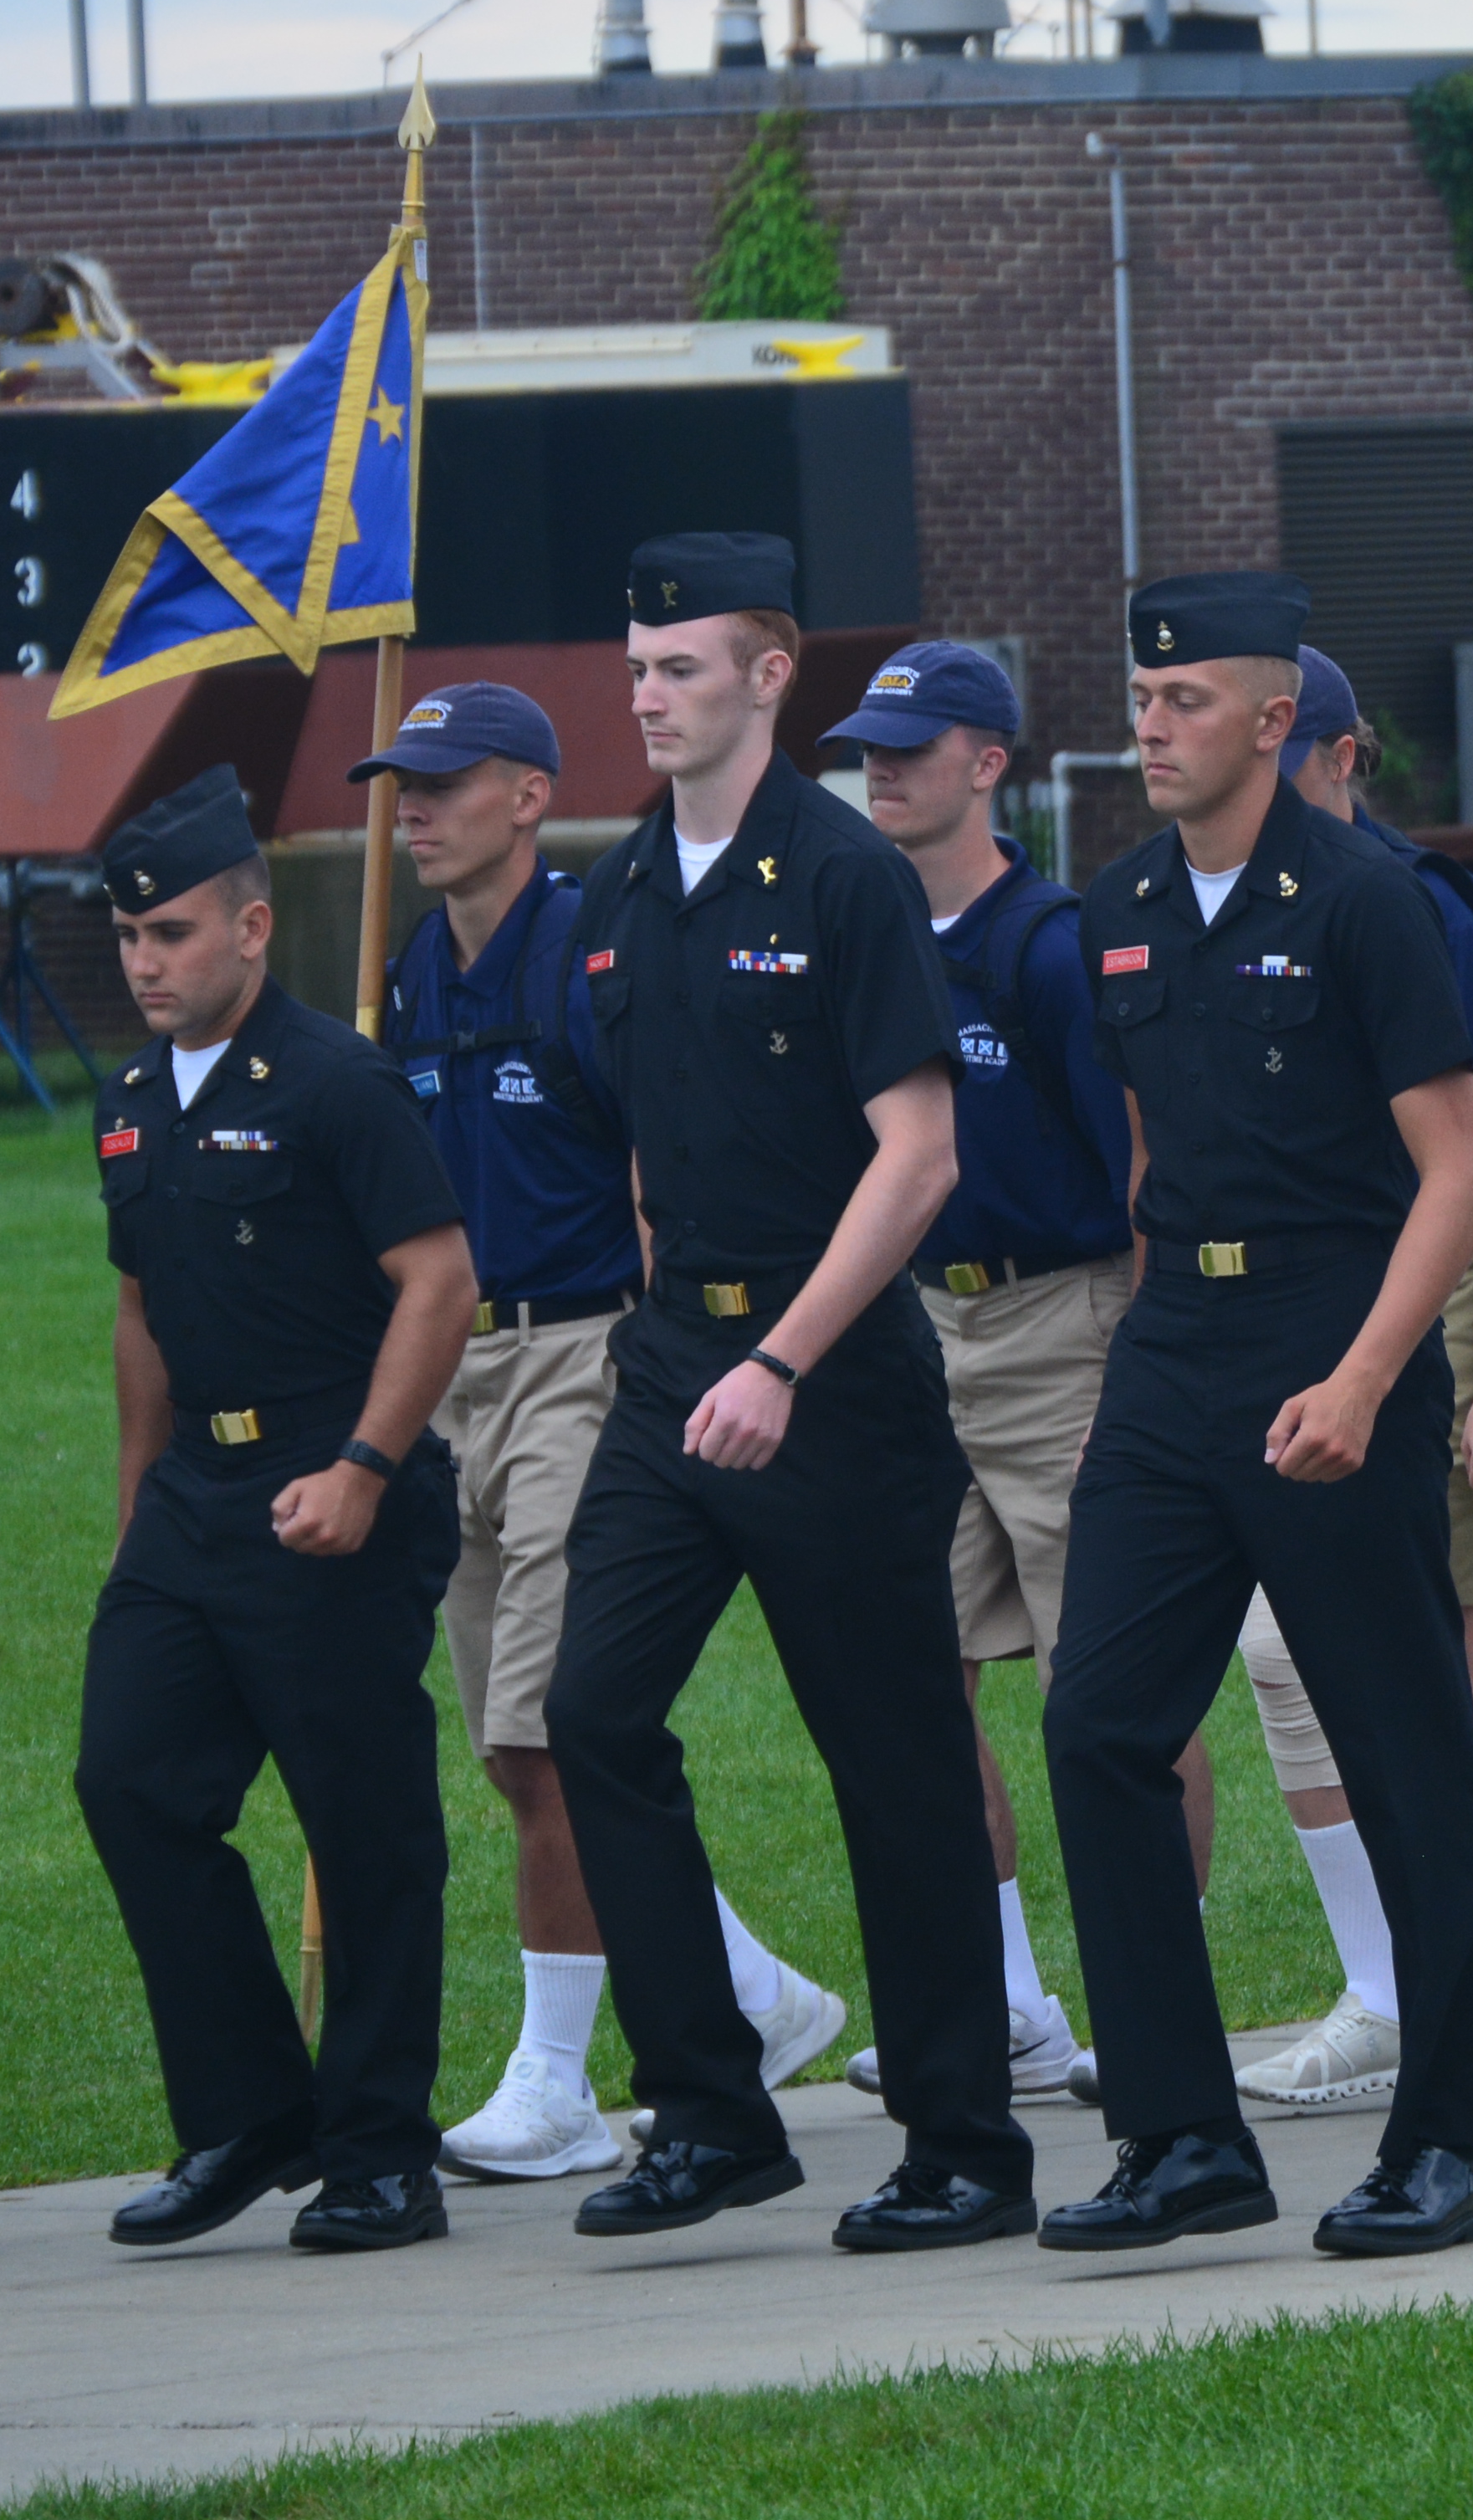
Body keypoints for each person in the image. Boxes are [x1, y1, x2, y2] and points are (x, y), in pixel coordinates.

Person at [542, 533, 1031, 2252]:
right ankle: (710, 2109)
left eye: (682, 664)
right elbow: (644, 1151)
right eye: (637, 663)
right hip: (676, 1361)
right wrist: (689, 1334)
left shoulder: (841, 875)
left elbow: (919, 1154)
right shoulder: (609, 893)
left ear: (772, 673)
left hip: (834, 1383)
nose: (649, 692)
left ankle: (965, 2144)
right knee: (589, 1714)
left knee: (894, 1764)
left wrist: (779, 1357)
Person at [1036, 569, 1473, 2259]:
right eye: (1139, 696)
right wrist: (1143, 1359)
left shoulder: (1371, 897)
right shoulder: (1124, 901)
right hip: (1179, 1338)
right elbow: (1160, 1142)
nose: (1146, 724)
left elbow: (1457, 1165)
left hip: (1339, 1321)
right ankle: (1181, 2137)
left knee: (1396, 1744)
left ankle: (1438, 2138)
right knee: (1100, 1722)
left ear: (1270, 718)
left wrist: (1372, 1378)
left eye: (1181, 701)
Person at [361, 683, 823, 2183]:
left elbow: (655, 1155)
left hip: (582, 1349)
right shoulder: (411, 969)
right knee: (511, 1750)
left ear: (526, 796)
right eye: (401, 785)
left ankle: (556, 2080)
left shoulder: (587, 948)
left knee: (556, 1735)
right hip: (454, 1372)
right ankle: (753, 1989)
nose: (412, 809)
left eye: (443, 783)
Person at [72, 763, 478, 2254]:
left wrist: (366, 1469)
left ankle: (381, 2149)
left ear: (252, 928)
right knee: (129, 1782)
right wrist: (138, 1512)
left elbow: (439, 1285)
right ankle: (253, 2111)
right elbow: (140, 1319)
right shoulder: (127, 1107)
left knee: (365, 1830)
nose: (145, 964)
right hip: (194, 1503)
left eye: (171, 936)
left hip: (335, 1483)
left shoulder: (335, 1082)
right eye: (128, 941)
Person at [1230, 653, 1473, 2118]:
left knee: (1459, 1652)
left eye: (1278, 756)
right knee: (1282, 1654)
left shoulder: (1409, 906)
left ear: (1340, 755)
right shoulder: (1250, 911)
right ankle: (1384, 1992)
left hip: (1435, 1326)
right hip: (1308, 1327)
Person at [824, 638, 1148, 2109]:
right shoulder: (866, 931)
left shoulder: (1051, 944)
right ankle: (1005, 1995)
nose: (884, 767)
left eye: (915, 744)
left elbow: (1141, 1170)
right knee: (916, 1678)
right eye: (871, 746)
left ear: (990, 763)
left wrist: (1137, 1372)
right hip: (918, 1335)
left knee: (1109, 1680)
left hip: (1064, 1323)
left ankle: (1158, 1990)